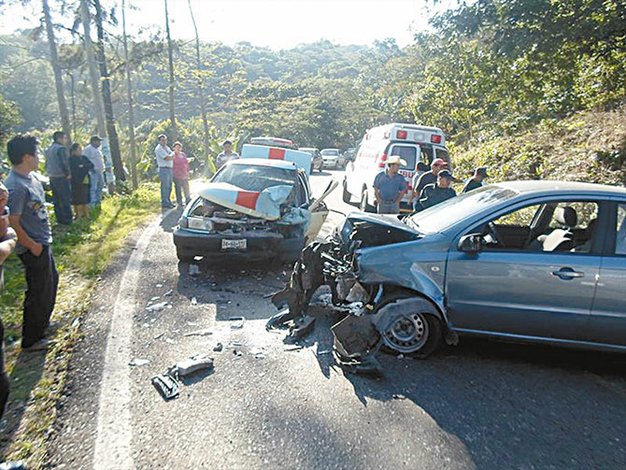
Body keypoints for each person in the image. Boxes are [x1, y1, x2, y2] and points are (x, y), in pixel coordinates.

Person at [5, 135, 58, 351]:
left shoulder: (32, 177)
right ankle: (32, 339)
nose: (39, 157)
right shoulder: (15, 186)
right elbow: (13, 222)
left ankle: (42, 324)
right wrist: (31, 245)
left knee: (50, 282)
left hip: (43, 241)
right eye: (36, 154)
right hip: (32, 246)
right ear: (27, 157)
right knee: (37, 290)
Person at [45, 131, 73, 225]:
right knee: (65, 198)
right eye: (64, 138)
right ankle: (68, 219)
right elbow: (64, 162)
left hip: (52, 176)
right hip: (61, 176)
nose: (65, 140)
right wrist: (68, 173)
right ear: (59, 138)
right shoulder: (60, 149)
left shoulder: (49, 149)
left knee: (56, 199)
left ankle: (59, 219)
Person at [69, 143, 94, 218]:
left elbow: (91, 165)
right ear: (74, 151)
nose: (80, 151)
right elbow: (74, 169)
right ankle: (78, 215)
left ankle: (86, 214)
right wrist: (82, 167)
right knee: (77, 199)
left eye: (81, 149)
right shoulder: (71, 159)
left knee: (85, 198)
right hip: (75, 182)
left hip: (85, 181)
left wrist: (83, 166)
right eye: (78, 149)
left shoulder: (84, 158)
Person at [83, 135, 105, 207]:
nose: (99, 143)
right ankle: (92, 204)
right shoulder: (88, 149)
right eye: (98, 141)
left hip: (100, 171)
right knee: (93, 188)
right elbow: (84, 159)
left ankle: (98, 202)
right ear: (93, 142)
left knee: (100, 186)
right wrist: (90, 169)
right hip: (92, 172)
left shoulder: (98, 150)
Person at [154, 134, 174, 208]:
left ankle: (168, 201)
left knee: (170, 186)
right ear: (159, 141)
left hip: (170, 168)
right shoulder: (159, 149)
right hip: (163, 169)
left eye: (165, 140)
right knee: (165, 186)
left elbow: (172, 154)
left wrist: (171, 156)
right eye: (162, 140)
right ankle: (164, 202)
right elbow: (167, 158)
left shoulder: (166, 147)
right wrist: (171, 156)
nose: (164, 141)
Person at [172, 142, 191, 207]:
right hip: (177, 174)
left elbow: (186, 163)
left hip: (184, 174)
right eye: (176, 147)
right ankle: (179, 202)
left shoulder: (183, 154)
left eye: (179, 147)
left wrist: (188, 171)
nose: (178, 148)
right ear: (174, 148)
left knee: (186, 188)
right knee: (178, 188)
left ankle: (188, 200)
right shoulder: (173, 155)